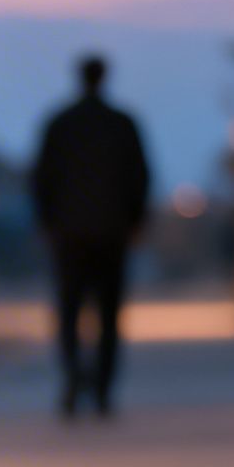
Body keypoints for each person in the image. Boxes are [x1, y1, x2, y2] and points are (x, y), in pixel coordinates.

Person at [30, 54, 152, 417]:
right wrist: (134, 222)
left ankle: (72, 380)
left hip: (70, 235)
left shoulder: (60, 123)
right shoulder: (122, 123)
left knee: (69, 312)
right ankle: (101, 389)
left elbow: (41, 178)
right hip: (111, 234)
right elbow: (140, 177)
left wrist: (47, 222)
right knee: (109, 314)